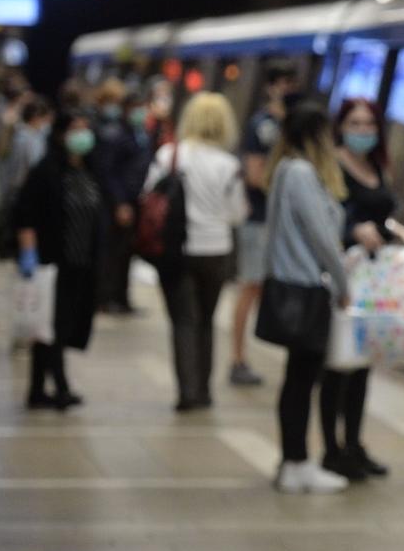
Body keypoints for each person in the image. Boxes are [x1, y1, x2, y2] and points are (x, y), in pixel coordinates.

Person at [319, 98, 404, 480]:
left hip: (373, 279)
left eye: (369, 124)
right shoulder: (331, 166)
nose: (363, 131)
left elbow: (382, 216)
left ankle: (354, 444)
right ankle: (332, 450)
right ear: (341, 126)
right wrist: (352, 231)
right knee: (338, 362)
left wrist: (401, 232)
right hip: (342, 275)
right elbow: (325, 218)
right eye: (355, 123)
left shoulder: (376, 166)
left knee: (363, 361)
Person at [261, 100, 351, 494]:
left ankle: (292, 462)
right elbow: (321, 236)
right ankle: (296, 463)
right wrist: (343, 284)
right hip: (307, 287)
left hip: (296, 283)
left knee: (297, 379)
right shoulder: (300, 172)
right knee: (302, 380)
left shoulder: (286, 168)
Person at [143, 92, 247, 412]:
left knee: (183, 320)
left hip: (176, 249)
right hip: (216, 250)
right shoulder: (229, 165)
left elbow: (148, 195)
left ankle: (187, 391)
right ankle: (203, 389)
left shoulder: (169, 155)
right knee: (206, 318)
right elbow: (237, 213)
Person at [14, 110, 105, 410]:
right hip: (52, 261)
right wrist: (29, 253)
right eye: (75, 128)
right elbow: (25, 213)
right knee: (50, 325)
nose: (82, 135)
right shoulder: (47, 171)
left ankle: (38, 389)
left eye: (85, 128)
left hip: (82, 262)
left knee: (61, 325)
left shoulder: (90, 171)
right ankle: (59, 387)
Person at [229, 61, 298, 386]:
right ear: (270, 86)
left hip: (285, 223)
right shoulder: (261, 125)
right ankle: (237, 358)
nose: (287, 89)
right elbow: (254, 175)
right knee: (251, 286)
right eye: (282, 82)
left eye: (291, 83)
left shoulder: (293, 125)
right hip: (259, 219)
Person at [92, 78, 150, 315]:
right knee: (112, 252)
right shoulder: (115, 135)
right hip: (119, 203)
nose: (140, 112)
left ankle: (122, 298)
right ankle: (105, 298)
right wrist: (120, 202)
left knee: (127, 253)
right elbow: (109, 172)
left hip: (136, 201)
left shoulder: (141, 134)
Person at [0, 96, 53, 260]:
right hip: (24, 193)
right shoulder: (28, 139)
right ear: (37, 117)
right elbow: (35, 167)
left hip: (14, 192)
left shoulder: (18, 136)